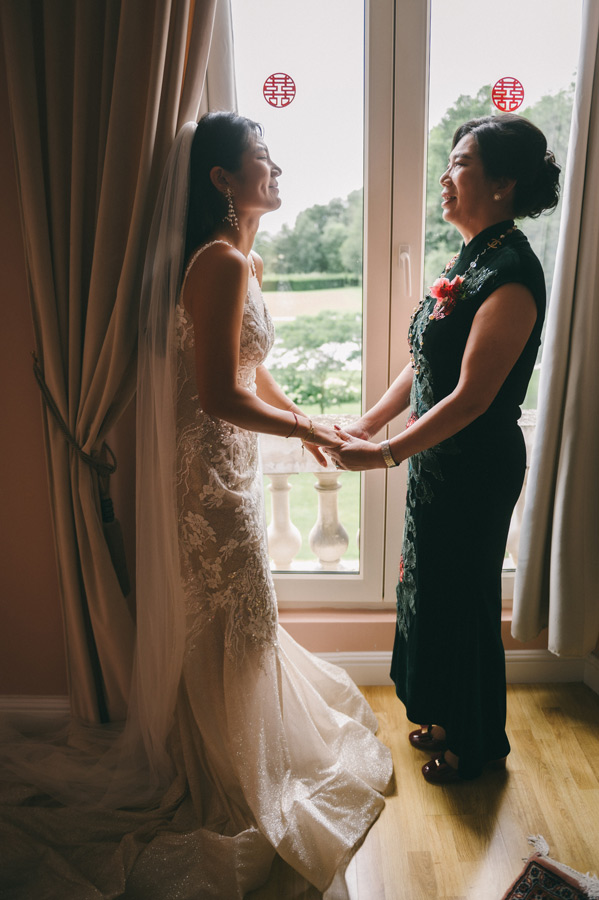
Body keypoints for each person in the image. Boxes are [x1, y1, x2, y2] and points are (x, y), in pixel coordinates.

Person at [0, 113, 391, 899]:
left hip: (226, 472)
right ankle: (228, 773)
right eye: (260, 159)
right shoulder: (217, 262)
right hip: (204, 482)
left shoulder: (238, 257)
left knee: (242, 619)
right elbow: (218, 395)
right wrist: (305, 426)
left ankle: (240, 750)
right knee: (232, 617)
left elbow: (249, 371)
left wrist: (306, 420)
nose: (275, 168)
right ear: (220, 179)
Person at [327, 113, 560, 783]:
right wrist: (369, 425)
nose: (444, 175)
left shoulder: (510, 271)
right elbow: (422, 365)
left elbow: (471, 397)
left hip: (475, 467)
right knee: (428, 591)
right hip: (438, 463)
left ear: (502, 181)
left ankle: (476, 744)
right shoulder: (471, 258)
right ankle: (443, 713)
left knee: (463, 603)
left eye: (459, 162)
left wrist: (385, 454)